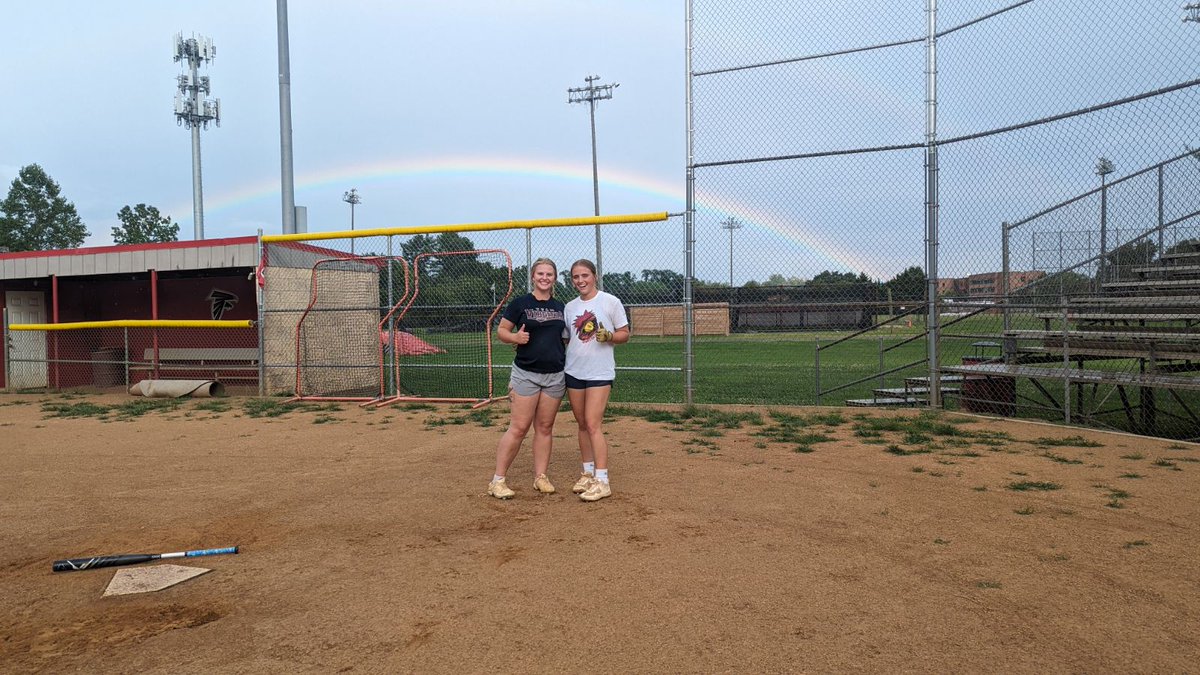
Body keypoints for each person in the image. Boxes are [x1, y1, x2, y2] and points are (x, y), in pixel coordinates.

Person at [488, 258, 567, 499]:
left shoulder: (561, 307)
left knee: (544, 427)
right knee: (519, 427)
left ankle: (540, 477)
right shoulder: (520, 303)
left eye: (549, 274)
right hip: (526, 373)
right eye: (540, 273)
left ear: (555, 278)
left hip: (554, 375)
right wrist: (515, 338)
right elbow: (502, 331)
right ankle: (498, 480)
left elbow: (565, 338)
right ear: (533, 276)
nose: (545, 278)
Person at [563, 259, 630, 502]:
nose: (580, 281)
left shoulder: (610, 301)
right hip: (574, 371)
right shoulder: (570, 307)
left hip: (599, 373)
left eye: (585, 275)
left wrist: (610, 335)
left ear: (595, 276)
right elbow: (566, 339)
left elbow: (625, 334)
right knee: (582, 424)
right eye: (575, 277)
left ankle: (602, 481)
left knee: (593, 424)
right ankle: (588, 473)